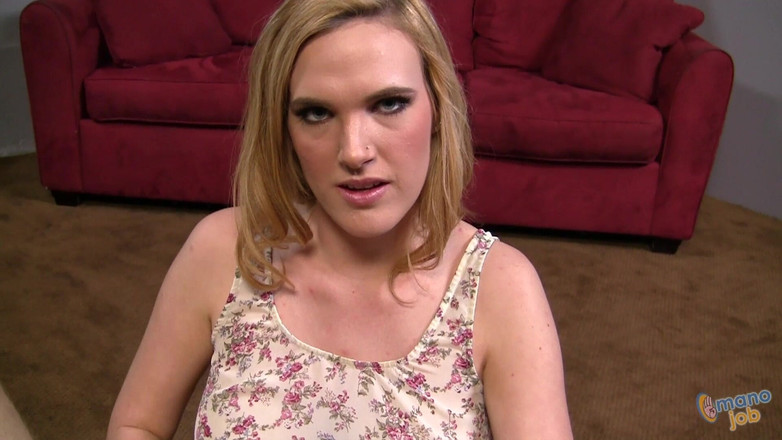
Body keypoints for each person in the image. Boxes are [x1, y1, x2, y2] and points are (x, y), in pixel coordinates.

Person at [106, 0, 573, 438]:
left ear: (437, 108)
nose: (354, 151)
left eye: (388, 104)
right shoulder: (225, 249)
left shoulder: (501, 289)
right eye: (316, 113)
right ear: (283, 128)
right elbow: (138, 425)